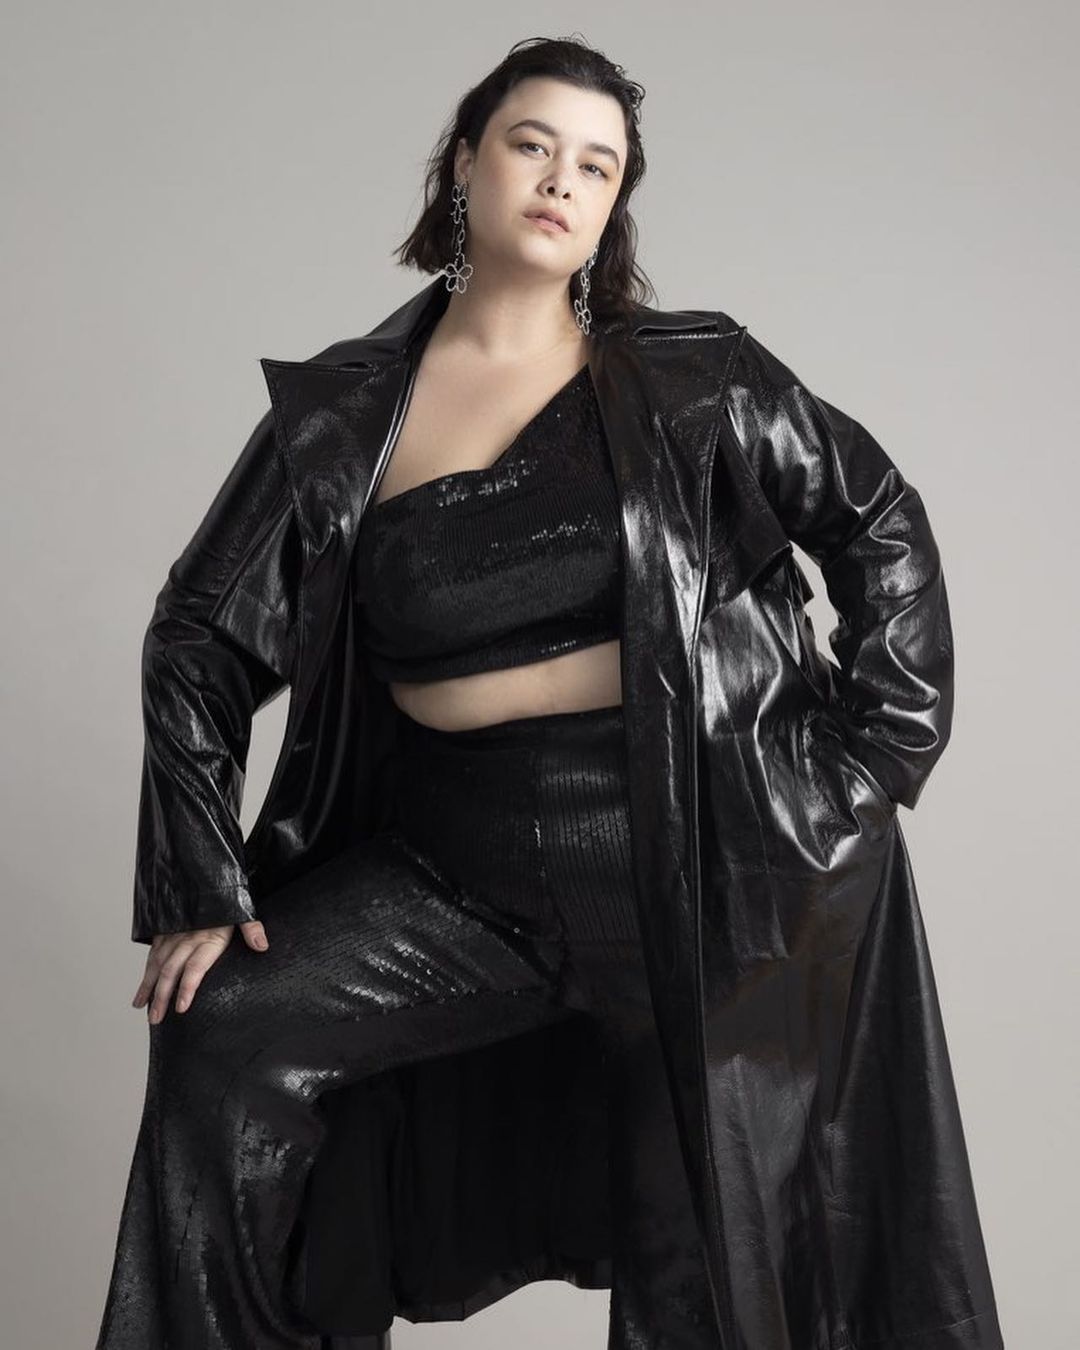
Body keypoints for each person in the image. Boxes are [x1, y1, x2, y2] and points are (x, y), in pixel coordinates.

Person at [95, 34, 1004, 1350]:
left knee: (700, 1265)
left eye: (597, 164)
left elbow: (878, 518)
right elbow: (199, 634)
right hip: (454, 867)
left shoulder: (693, 378)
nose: (562, 180)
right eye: (533, 145)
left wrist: (874, 763)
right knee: (225, 1032)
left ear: (613, 203)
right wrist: (197, 881)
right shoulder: (344, 416)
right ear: (466, 163)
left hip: (699, 865)